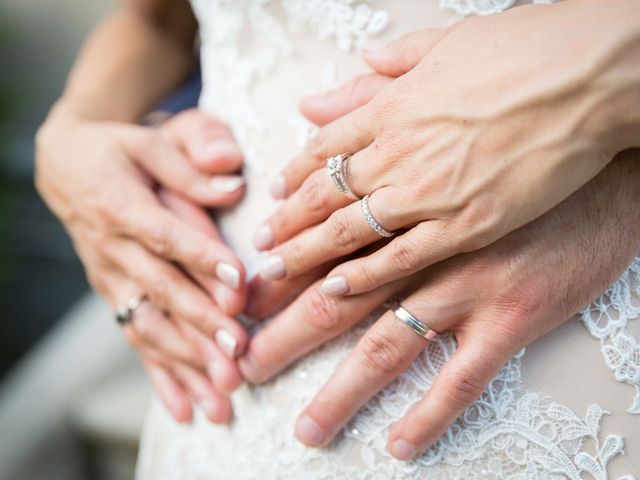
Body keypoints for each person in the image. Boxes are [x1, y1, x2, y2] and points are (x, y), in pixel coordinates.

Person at [36, 0, 640, 478]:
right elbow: (157, 18)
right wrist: (74, 129)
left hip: (573, 390)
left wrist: (621, 169)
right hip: (219, 426)